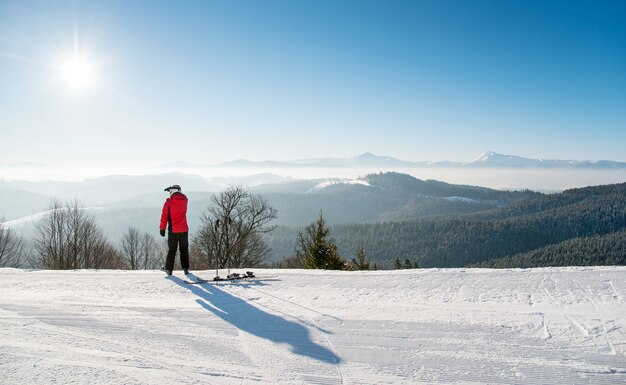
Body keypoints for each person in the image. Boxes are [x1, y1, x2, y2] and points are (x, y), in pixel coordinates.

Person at [160, 184, 190, 275]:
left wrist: (162, 228)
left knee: (172, 250)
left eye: (170, 192)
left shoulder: (168, 203)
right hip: (184, 229)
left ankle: (169, 269)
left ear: (173, 191)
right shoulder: (185, 200)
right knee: (184, 249)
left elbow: (164, 217)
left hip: (173, 230)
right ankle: (186, 268)